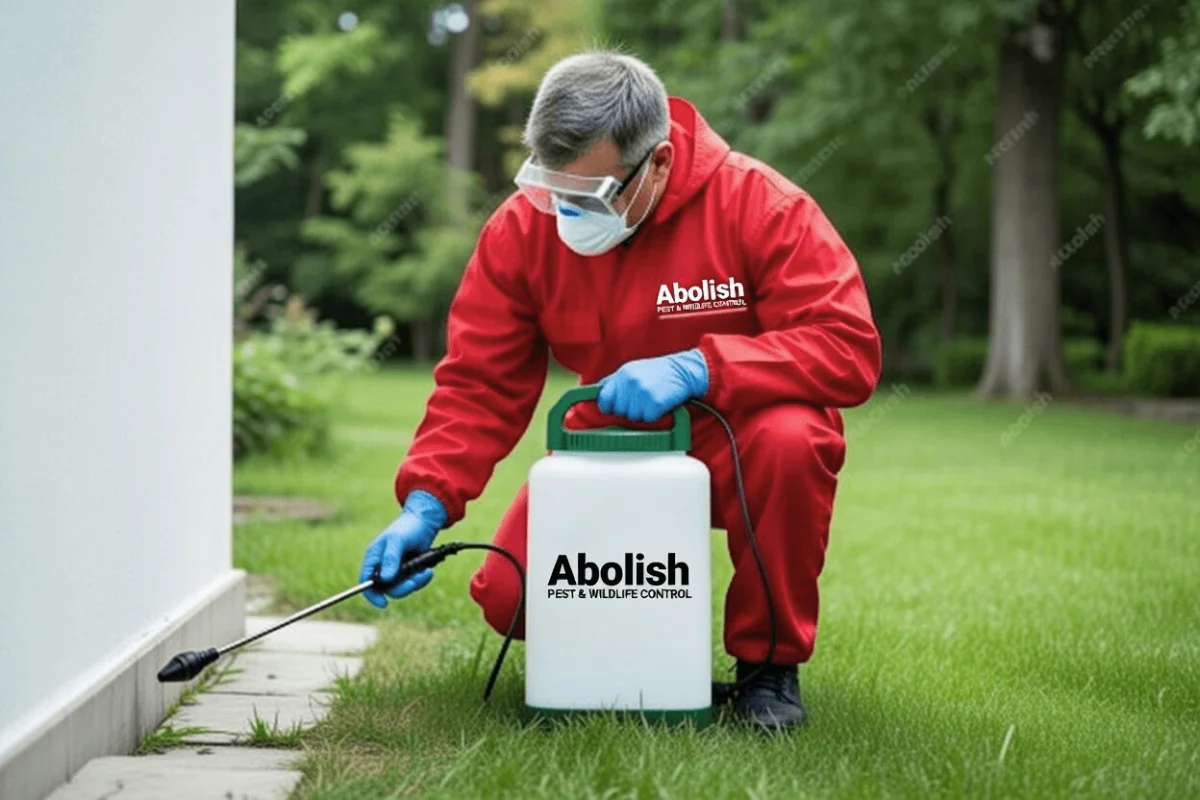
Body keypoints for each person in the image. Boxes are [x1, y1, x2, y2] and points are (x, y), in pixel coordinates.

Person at [358, 50, 882, 730]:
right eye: (552, 190)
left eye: (590, 196)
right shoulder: (522, 230)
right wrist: (425, 503)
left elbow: (846, 347)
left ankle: (767, 672)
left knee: (792, 437)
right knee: (511, 597)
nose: (565, 214)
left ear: (658, 162)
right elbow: (479, 383)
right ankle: (630, 655)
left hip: (736, 433)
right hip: (610, 436)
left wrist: (701, 368)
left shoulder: (761, 206)